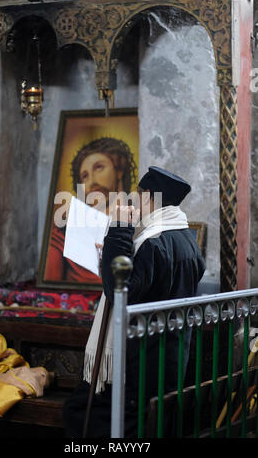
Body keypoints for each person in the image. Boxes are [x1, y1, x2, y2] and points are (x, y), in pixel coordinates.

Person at [63, 166, 206, 437]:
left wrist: (118, 229)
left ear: (149, 197)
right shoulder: (185, 237)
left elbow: (120, 292)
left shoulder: (153, 242)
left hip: (138, 360)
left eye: (137, 195)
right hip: (168, 355)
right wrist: (111, 254)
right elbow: (150, 284)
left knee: (83, 415)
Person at [44, 137, 137, 284]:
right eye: (84, 176)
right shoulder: (64, 233)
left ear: (119, 170)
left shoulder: (139, 222)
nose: (92, 181)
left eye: (99, 167)